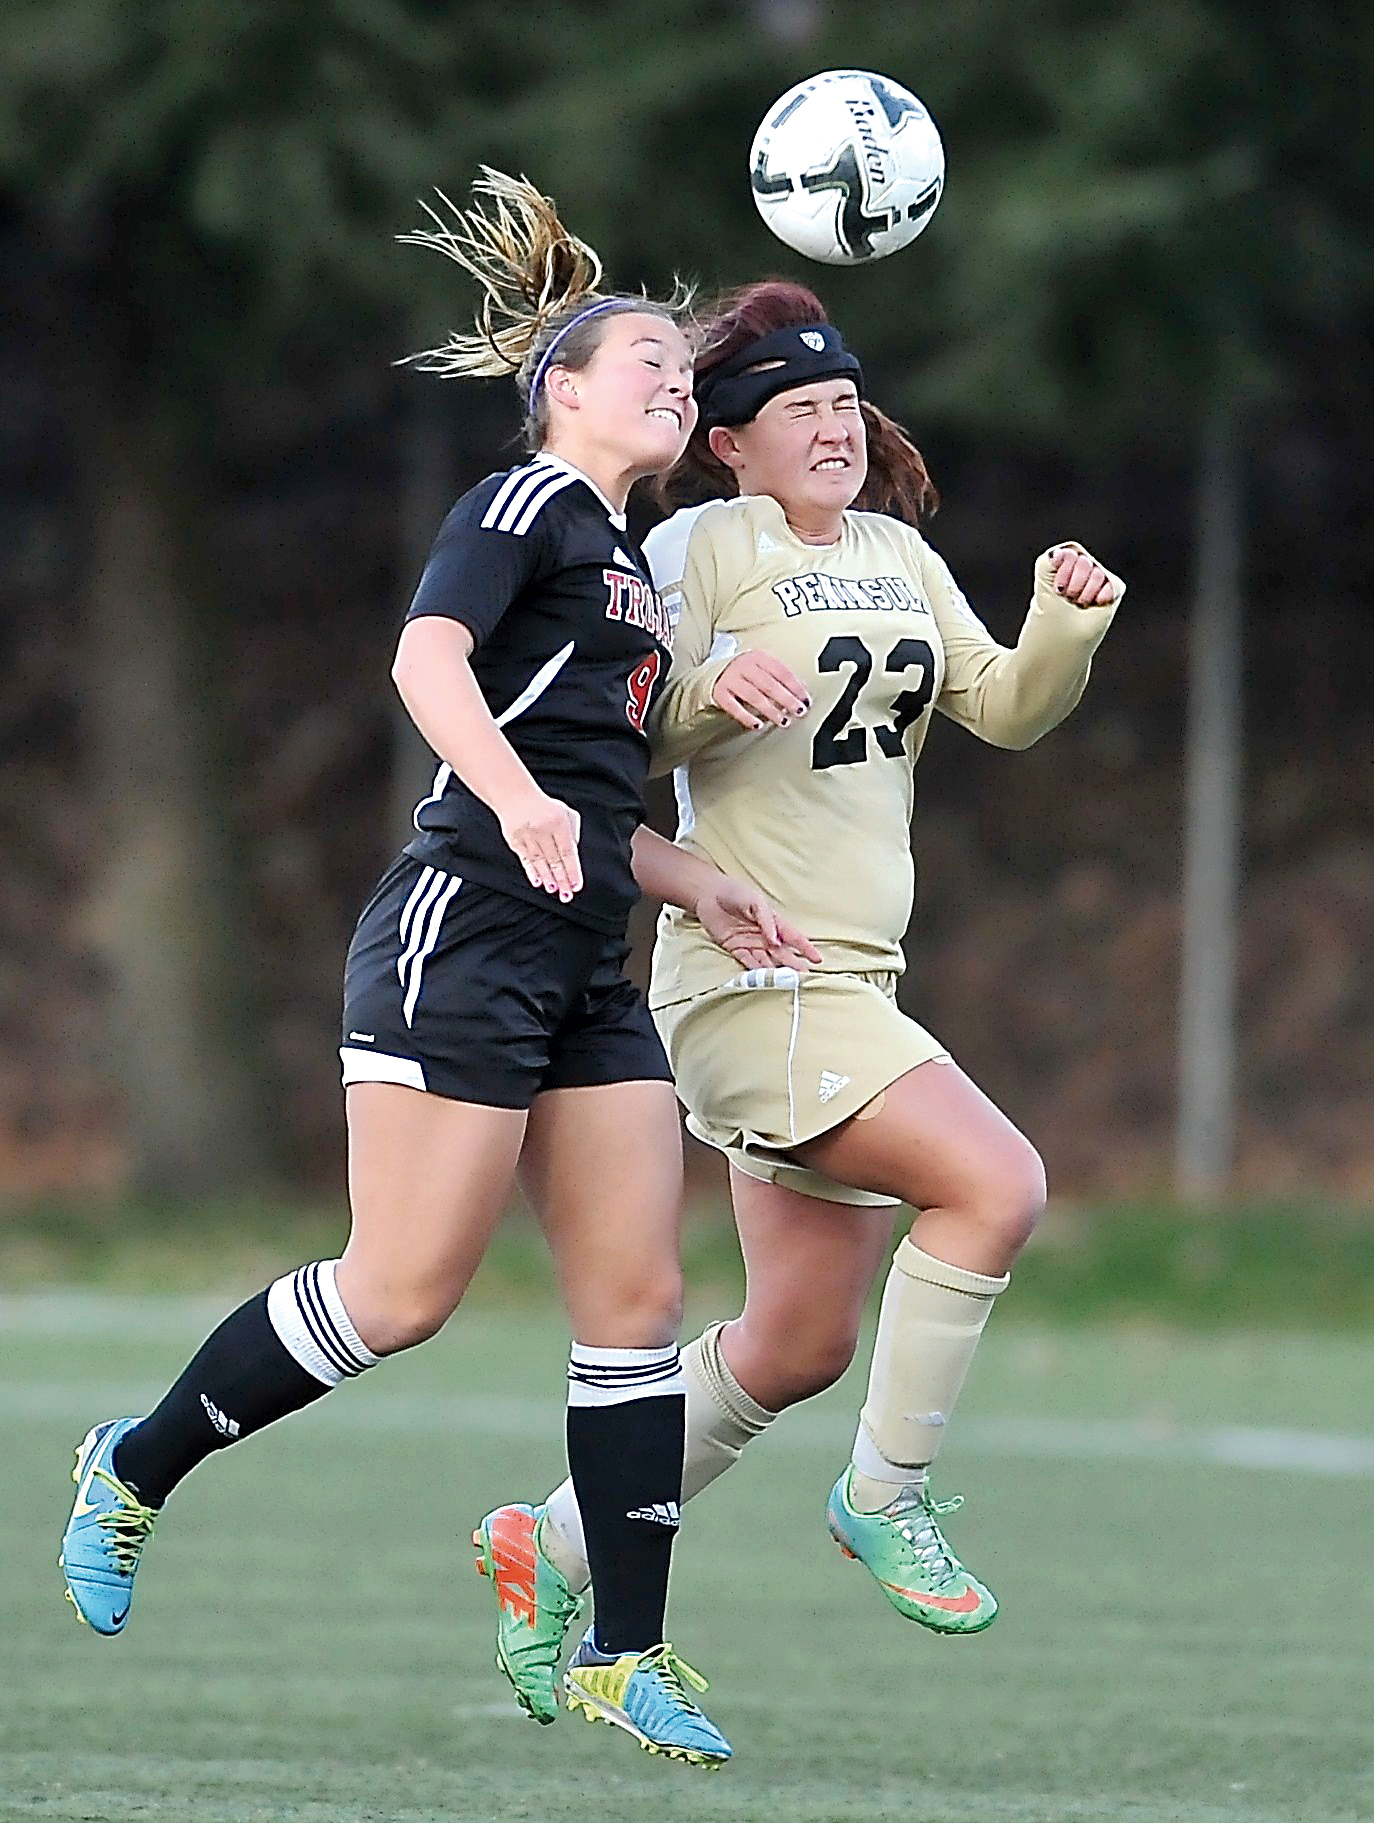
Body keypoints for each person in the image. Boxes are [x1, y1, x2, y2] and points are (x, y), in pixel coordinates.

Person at [57, 178, 816, 1772]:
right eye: (649, 367)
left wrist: (699, 882)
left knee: (636, 1305)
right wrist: (524, 801)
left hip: (584, 960)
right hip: (458, 932)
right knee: (401, 1295)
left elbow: (593, 795)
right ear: (560, 391)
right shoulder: (524, 504)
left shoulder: (625, 567)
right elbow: (428, 664)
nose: (678, 384)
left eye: (688, 370)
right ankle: (132, 1466)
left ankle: (625, 1647)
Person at [476, 278, 1124, 1714]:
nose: (832, 430)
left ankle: (549, 1542)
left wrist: (1060, 623)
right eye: (797, 412)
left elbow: (1007, 708)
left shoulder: (894, 549)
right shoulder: (696, 545)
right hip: (752, 980)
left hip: (850, 983)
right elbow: (617, 738)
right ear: (728, 442)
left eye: (845, 406)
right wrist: (718, 694)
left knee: (799, 1343)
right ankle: (885, 1497)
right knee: (997, 1183)